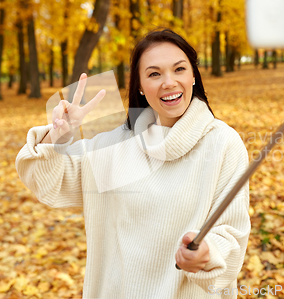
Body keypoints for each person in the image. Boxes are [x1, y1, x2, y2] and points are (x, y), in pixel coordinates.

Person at [15, 28, 251, 299]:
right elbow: (48, 181)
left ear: (194, 76)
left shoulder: (222, 143)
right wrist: (59, 135)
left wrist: (207, 253)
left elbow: (231, 235)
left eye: (179, 69)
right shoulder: (116, 145)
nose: (169, 82)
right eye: (154, 73)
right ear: (139, 85)